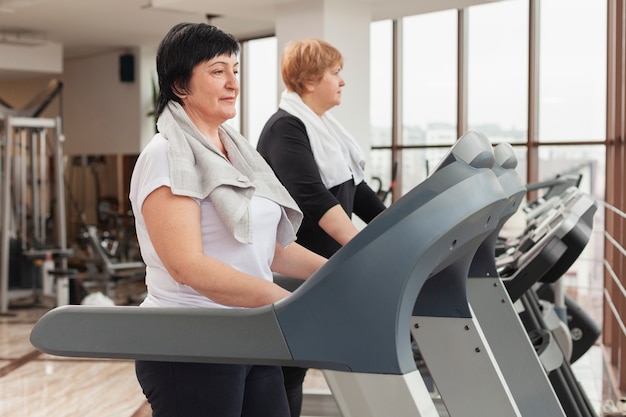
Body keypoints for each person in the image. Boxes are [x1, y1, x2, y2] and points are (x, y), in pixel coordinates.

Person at [129, 23, 326, 417]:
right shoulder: (166, 155)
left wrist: (343, 274)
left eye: (235, 70)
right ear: (181, 85)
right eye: (218, 71)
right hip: (191, 342)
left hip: (250, 333)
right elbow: (188, 266)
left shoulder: (236, 152)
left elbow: (271, 252)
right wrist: (290, 304)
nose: (233, 83)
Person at [257, 38, 387, 417]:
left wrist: (395, 229)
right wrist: (363, 248)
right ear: (310, 81)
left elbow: (357, 191)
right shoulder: (286, 128)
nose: (342, 81)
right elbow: (312, 197)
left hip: (323, 271)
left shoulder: (325, 130)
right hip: (294, 268)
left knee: (296, 367)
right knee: (287, 369)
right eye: (335, 73)